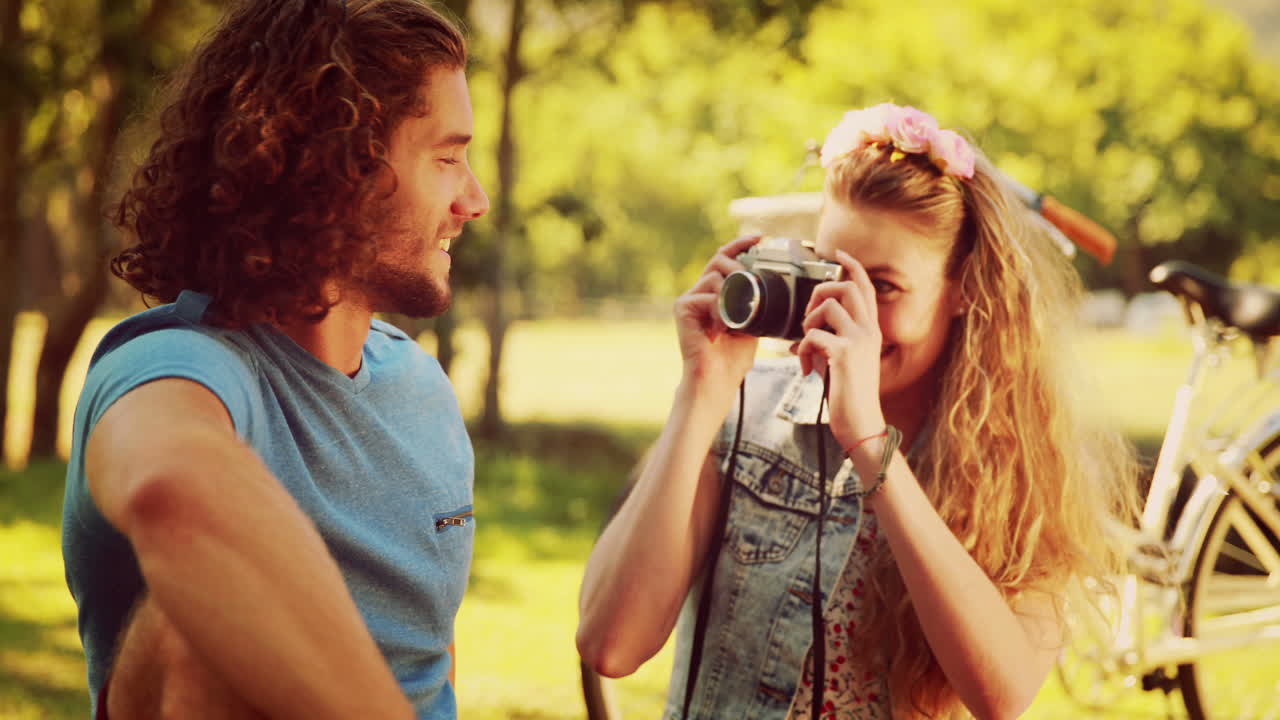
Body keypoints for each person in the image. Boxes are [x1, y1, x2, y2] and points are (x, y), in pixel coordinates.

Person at [576, 103, 1137, 719]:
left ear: (964, 291)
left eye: (884, 287)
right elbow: (610, 645)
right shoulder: (746, 415)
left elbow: (1001, 695)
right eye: (833, 274)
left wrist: (870, 443)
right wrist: (700, 394)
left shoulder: (1023, 461)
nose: (847, 312)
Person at [60, 0, 488, 718]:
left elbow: (424, 661)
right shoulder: (174, 368)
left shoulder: (419, 386)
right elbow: (175, 492)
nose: (474, 199)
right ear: (337, 171)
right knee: (196, 616)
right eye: (446, 158)